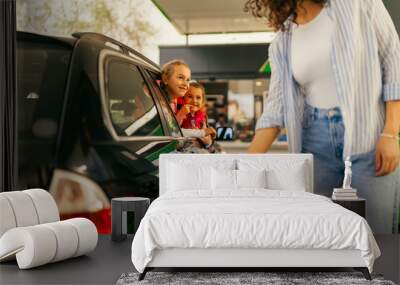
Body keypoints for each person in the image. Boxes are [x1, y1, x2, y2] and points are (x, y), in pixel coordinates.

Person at [246, 0, 400, 233]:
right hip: (314, 144)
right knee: (321, 234)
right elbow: (275, 109)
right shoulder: (282, 41)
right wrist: (241, 167)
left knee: (375, 233)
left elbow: (393, 58)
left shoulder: (358, 4)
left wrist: (390, 132)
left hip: (368, 135)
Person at [161, 59, 216, 143]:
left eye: (187, 80)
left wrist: (208, 143)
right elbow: (171, 131)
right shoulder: (162, 103)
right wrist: (202, 133)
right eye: (180, 77)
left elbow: (208, 140)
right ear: (165, 79)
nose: (185, 83)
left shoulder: (174, 103)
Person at [180, 81, 214, 149]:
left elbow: (208, 141)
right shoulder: (180, 113)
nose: (194, 101)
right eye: (190, 96)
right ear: (183, 97)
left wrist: (208, 143)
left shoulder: (203, 117)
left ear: (202, 101)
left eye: (198, 98)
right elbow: (175, 131)